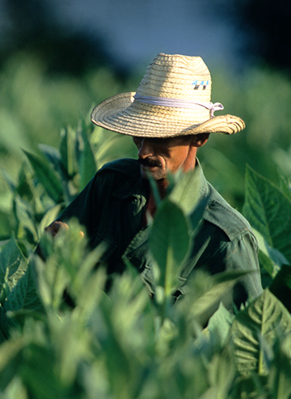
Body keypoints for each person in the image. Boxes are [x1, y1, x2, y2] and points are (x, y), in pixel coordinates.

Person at [45, 53, 263, 310]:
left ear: (200, 138)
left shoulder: (226, 238)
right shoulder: (111, 184)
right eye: (139, 135)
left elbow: (250, 333)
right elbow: (47, 273)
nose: (143, 152)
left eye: (161, 138)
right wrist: (53, 246)